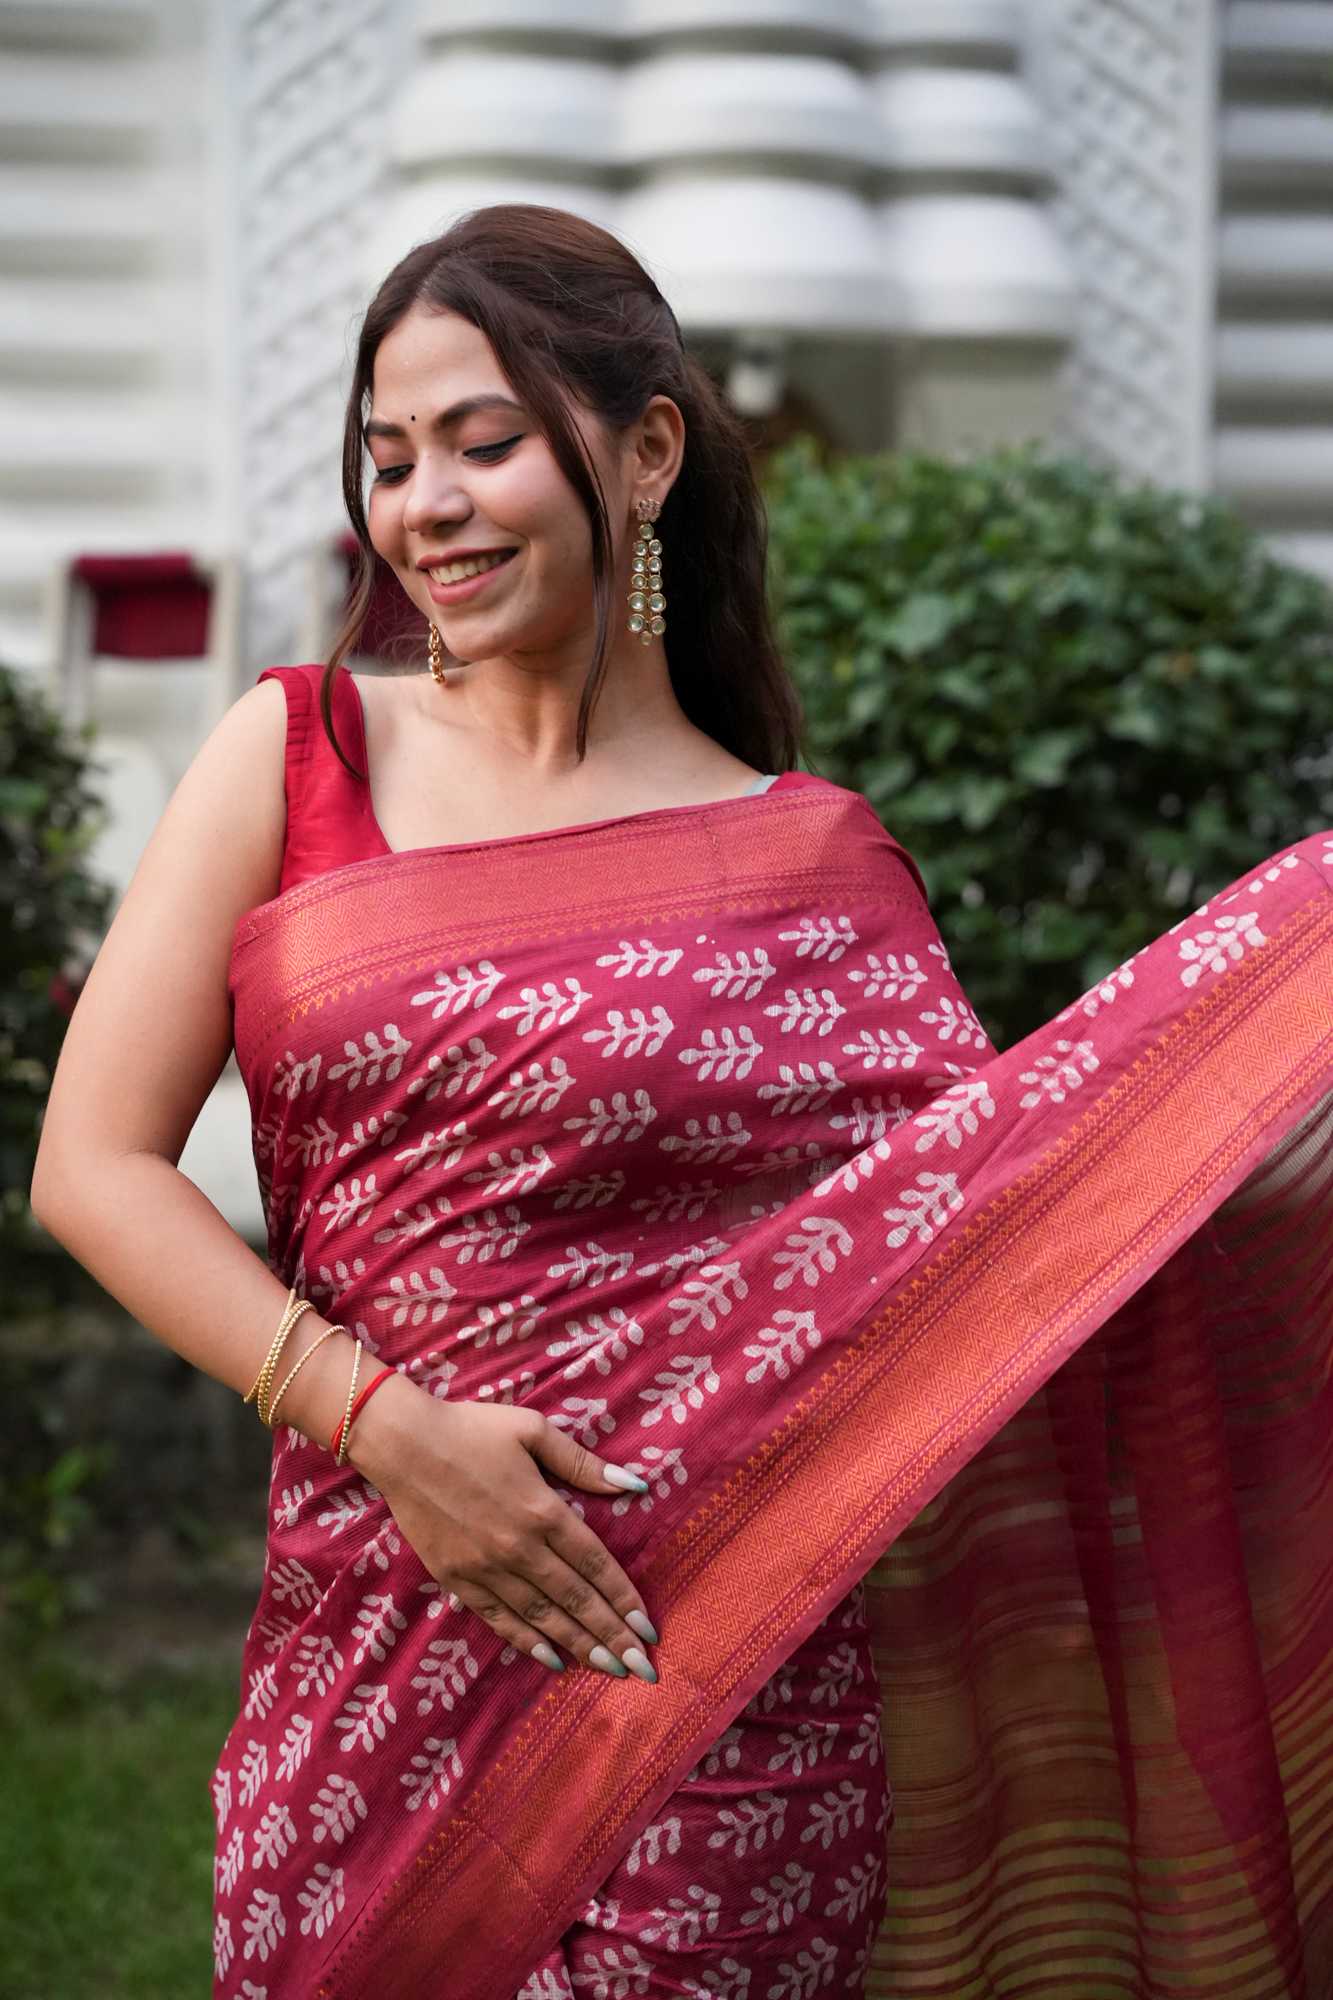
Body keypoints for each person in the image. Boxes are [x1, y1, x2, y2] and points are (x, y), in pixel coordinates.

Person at [29, 204, 1333, 2000]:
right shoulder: (298, 749)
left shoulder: (812, 861)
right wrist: (385, 1428)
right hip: (363, 1669)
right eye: (390, 460)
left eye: (484, 443)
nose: (426, 506)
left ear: (645, 453)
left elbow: (990, 1262)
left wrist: (1279, 1065)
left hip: (722, 1694)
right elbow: (92, 1166)